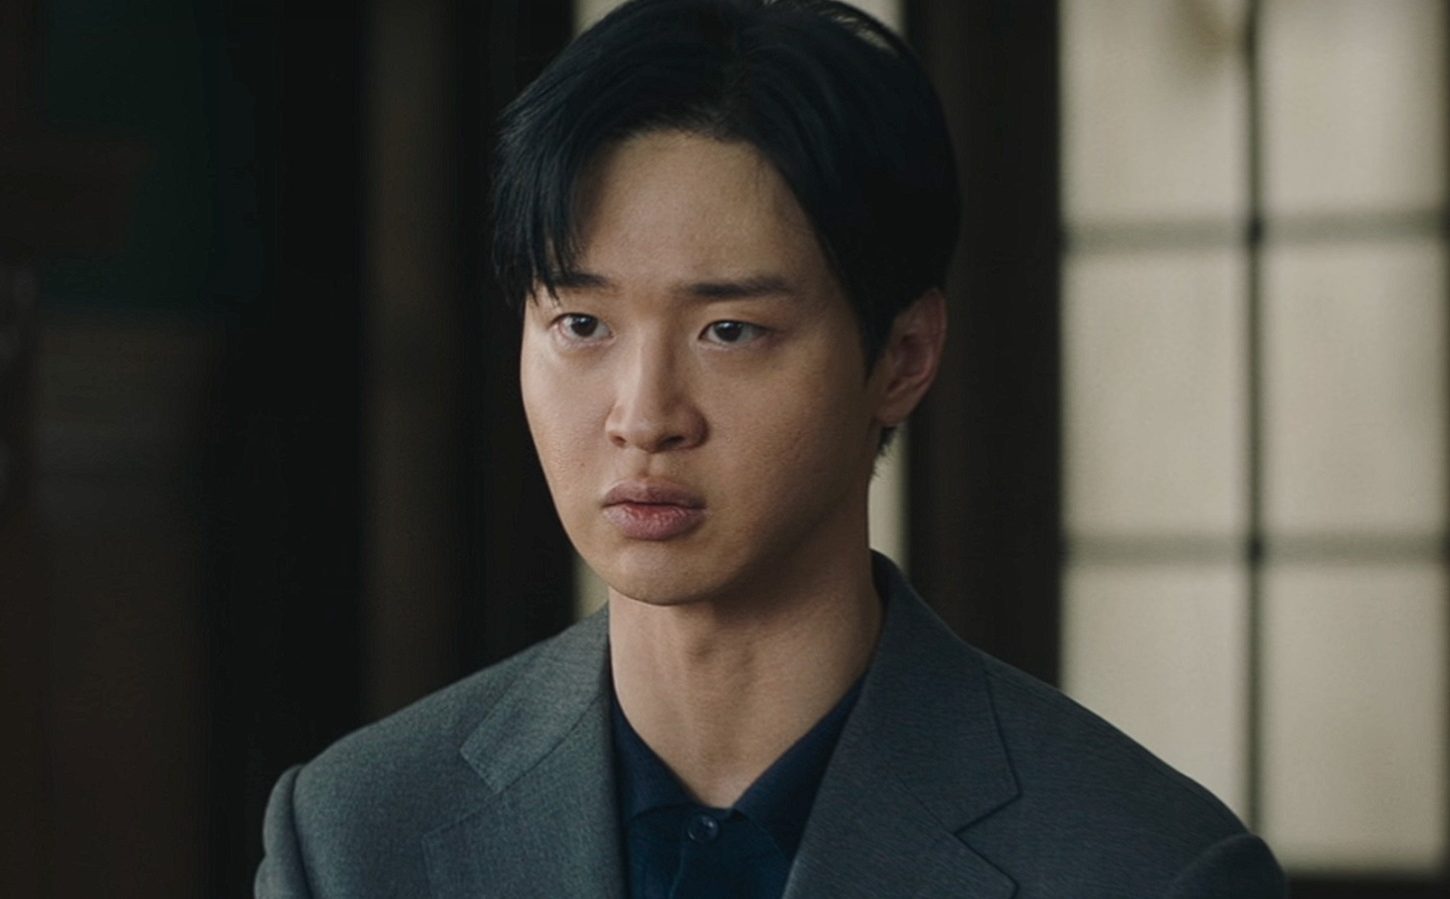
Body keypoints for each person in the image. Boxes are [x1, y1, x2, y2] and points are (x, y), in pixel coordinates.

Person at [256, 1, 1286, 896]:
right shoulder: (354, 835)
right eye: (581, 324)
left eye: (730, 330)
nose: (644, 415)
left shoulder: (1140, 865)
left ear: (903, 355)